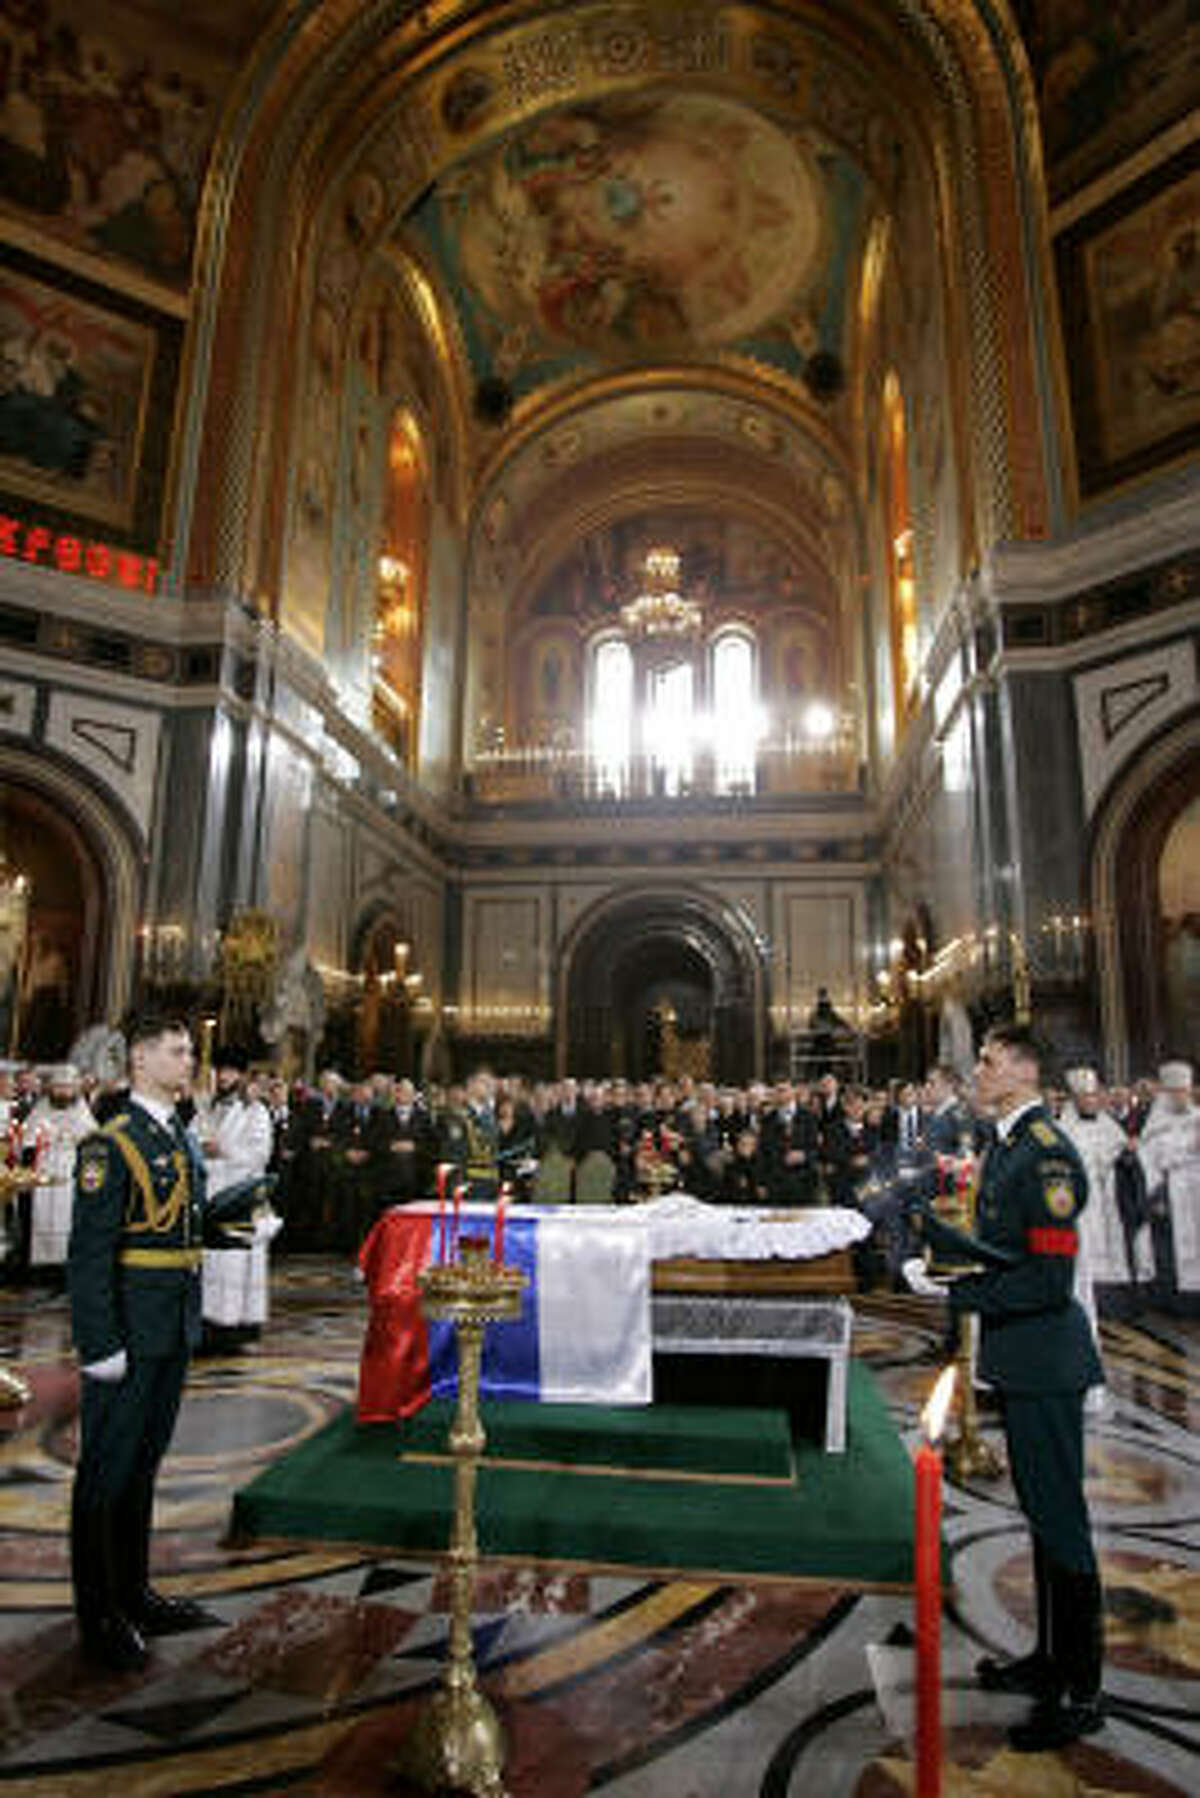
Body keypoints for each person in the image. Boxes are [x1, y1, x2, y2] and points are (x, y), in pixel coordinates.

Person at [917, 1023, 1104, 1752]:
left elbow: (1049, 1278)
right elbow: (1003, 1251)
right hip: (1023, 1359)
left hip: (1049, 1360)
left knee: (1062, 1523)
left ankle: (1083, 1691)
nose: (980, 1071)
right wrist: (954, 1267)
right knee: (1040, 1512)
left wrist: (971, 1296)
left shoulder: (1046, 1157)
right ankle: (1049, 1661)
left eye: (990, 1061)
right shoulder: (1010, 1145)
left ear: (1025, 1071)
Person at [67, 1013, 216, 1672]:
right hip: (128, 1329)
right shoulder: (112, 1144)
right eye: (179, 1051)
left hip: (172, 1324)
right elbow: (90, 1255)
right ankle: (99, 1613)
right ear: (142, 1058)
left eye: (189, 1051)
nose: (190, 1061)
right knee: (106, 1468)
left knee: (144, 1463)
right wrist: (99, 1344)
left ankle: (134, 1590)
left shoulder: (175, 1135)